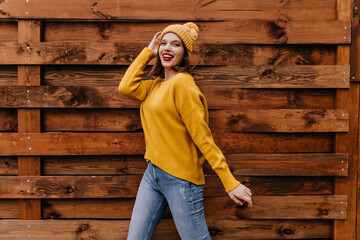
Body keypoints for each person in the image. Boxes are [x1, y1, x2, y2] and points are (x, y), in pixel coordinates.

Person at [118, 22, 253, 240]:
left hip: (181, 180)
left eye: (176, 45)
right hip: (153, 174)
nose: (168, 49)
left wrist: (229, 182)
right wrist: (149, 51)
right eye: (164, 43)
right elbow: (125, 87)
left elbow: (203, 138)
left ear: (185, 53)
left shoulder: (183, 85)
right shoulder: (155, 86)